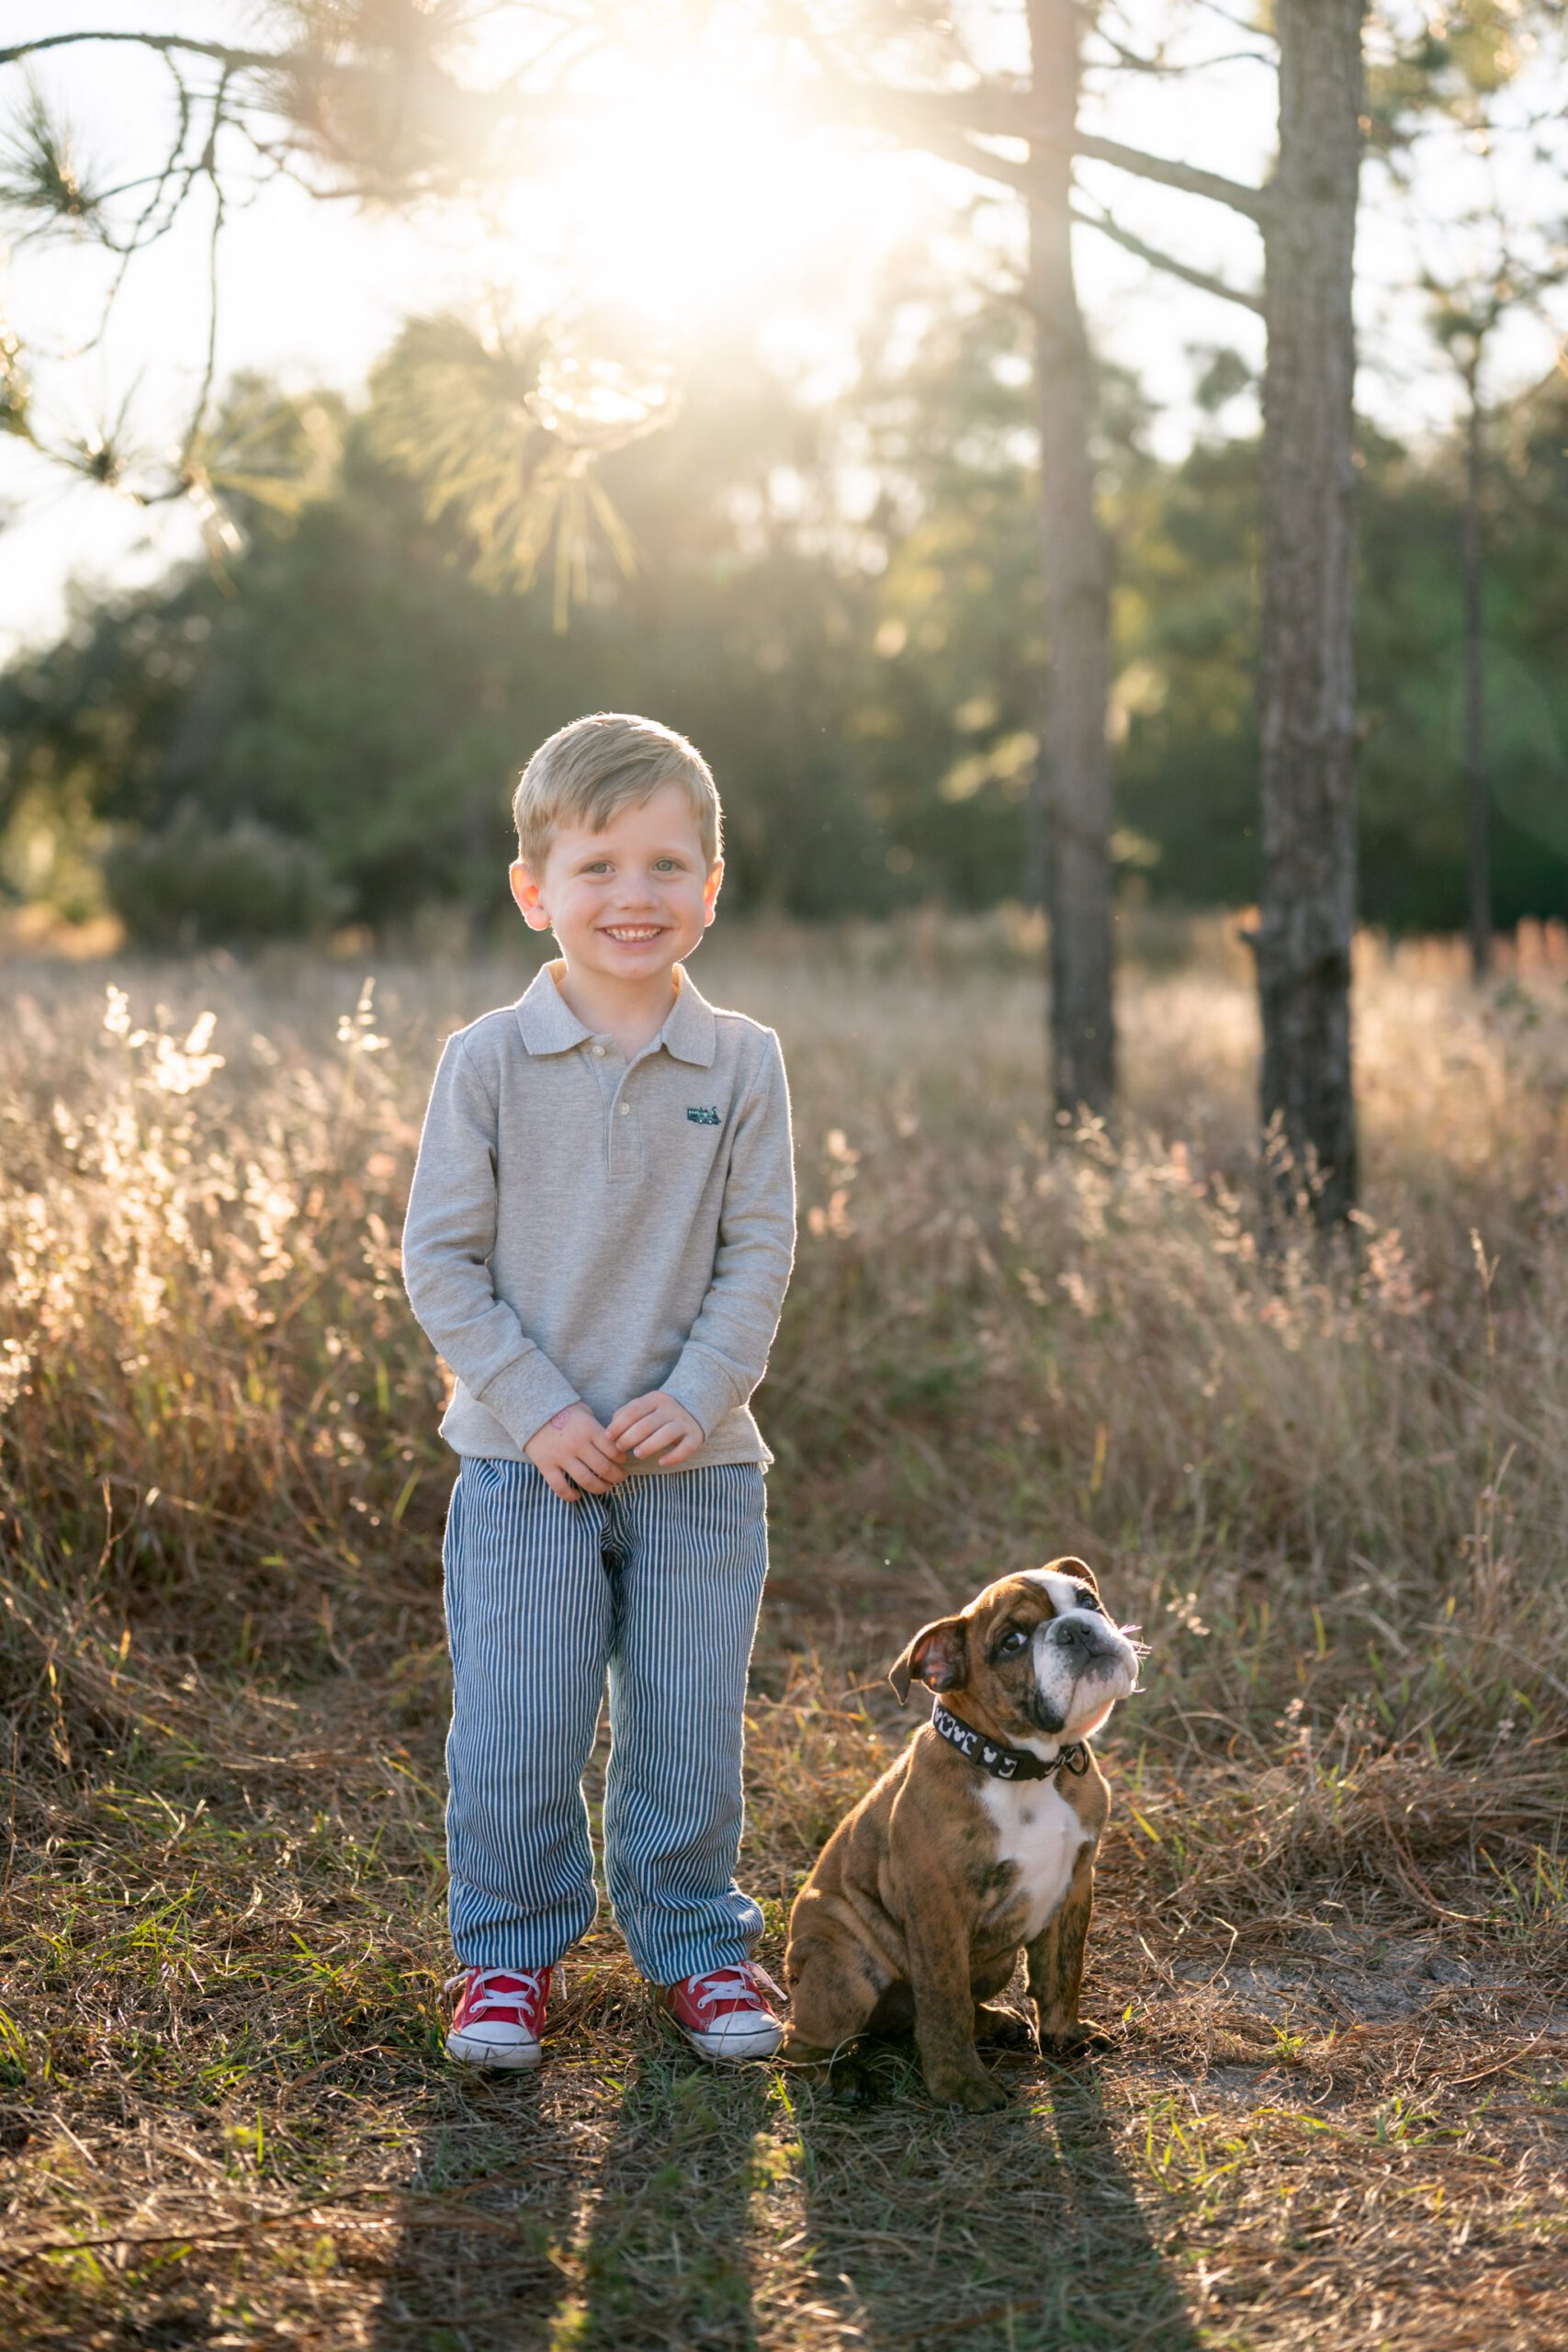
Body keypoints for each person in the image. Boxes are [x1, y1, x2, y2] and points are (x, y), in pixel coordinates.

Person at [401, 712, 795, 2071]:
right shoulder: (487, 1061)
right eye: (599, 867)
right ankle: (507, 1958)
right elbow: (440, 1262)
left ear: (711, 885)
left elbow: (760, 1253)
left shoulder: (744, 1061)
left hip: (698, 1466)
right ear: (535, 891)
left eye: (667, 866)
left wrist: (699, 1391)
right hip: (524, 1466)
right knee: (519, 1726)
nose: (634, 896)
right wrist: (535, 1408)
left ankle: (697, 1948)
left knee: (688, 1731)